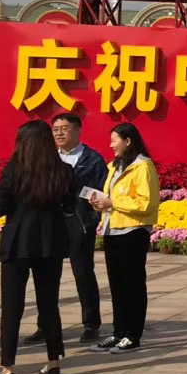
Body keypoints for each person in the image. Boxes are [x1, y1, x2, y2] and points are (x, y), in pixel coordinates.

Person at [0, 120, 77, 374]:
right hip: (50, 243)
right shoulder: (63, 170)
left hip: (17, 243)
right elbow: (69, 206)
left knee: (12, 307)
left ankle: (8, 368)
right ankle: (53, 362)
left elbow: (0, 206)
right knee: (49, 304)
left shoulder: (14, 170)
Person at [33, 114, 107, 344]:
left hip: (79, 221)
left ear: (78, 130)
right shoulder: (46, 157)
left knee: (83, 272)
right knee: (46, 275)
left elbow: (102, 189)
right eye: (55, 129)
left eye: (64, 128)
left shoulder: (92, 159)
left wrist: (91, 214)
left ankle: (91, 324)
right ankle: (45, 324)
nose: (59, 133)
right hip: (51, 222)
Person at [88, 122, 159, 353]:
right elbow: (110, 197)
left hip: (133, 232)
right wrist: (100, 202)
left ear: (128, 141)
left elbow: (146, 202)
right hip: (112, 230)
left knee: (133, 286)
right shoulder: (115, 166)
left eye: (114, 140)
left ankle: (133, 335)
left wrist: (112, 202)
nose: (110, 145)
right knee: (117, 287)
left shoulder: (143, 166)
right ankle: (119, 332)